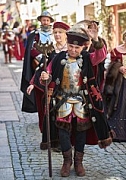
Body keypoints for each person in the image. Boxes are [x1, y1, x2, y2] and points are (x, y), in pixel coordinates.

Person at [38, 25, 112, 177]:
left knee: (81, 132)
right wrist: (45, 77)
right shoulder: (59, 57)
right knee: (63, 131)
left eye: (76, 48)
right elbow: (49, 73)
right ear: (67, 44)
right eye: (70, 46)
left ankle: (79, 162)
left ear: (82, 47)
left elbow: (100, 55)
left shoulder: (87, 58)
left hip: (82, 102)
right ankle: (67, 161)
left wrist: (96, 39)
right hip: (62, 101)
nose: (73, 50)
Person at [26, 21, 70, 150]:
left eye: (60, 32)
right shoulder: (50, 49)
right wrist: (34, 83)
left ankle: (67, 142)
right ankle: (54, 142)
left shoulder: (72, 49)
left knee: (67, 114)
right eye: (55, 32)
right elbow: (42, 67)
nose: (57, 35)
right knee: (52, 113)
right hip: (51, 86)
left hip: (68, 87)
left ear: (66, 34)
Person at [20, 10, 54, 113]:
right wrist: (40, 57)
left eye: (47, 20)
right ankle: (41, 108)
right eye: (44, 20)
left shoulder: (54, 33)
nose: (45, 22)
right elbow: (31, 48)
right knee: (39, 86)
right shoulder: (35, 34)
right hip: (38, 64)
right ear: (40, 21)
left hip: (52, 63)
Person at [103, 30, 126, 142]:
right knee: (119, 104)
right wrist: (118, 67)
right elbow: (108, 65)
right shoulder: (116, 51)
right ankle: (118, 133)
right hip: (119, 83)